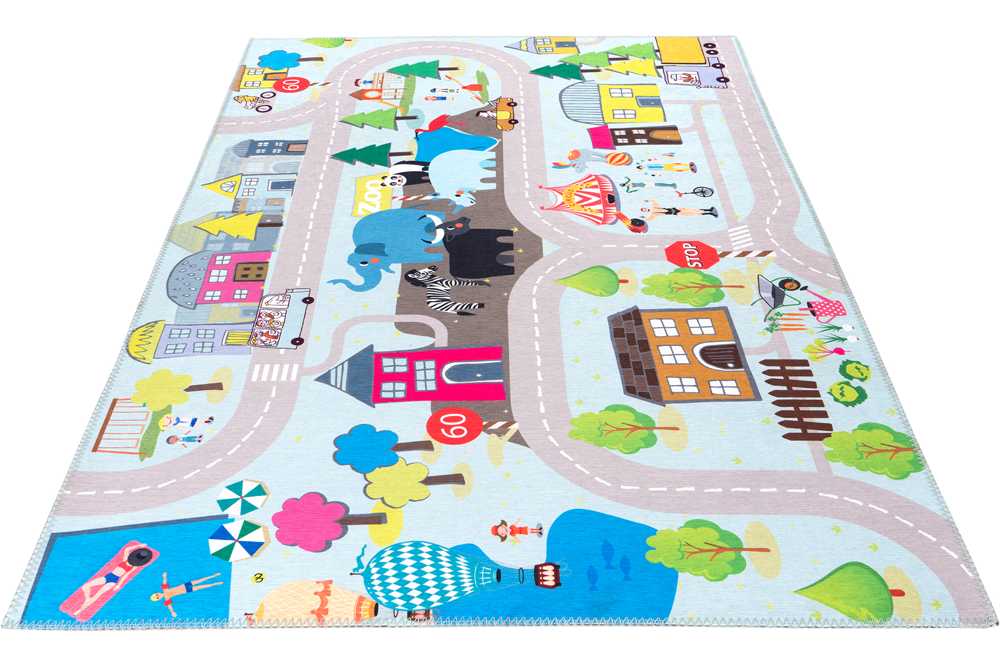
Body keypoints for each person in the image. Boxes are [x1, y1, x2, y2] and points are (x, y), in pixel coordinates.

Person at [71, 545, 154, 617]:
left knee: (97, 595)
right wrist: (139, 546)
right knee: (86, 586)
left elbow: (125, 576)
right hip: (108, 576)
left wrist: (118, 585)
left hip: (114, 581)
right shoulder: (125, 559)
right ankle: (87, 598)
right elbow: (127, 549)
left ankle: (79, 610)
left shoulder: (133, 567)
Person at [151, 572, 225, 619]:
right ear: (159, 599)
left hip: (185, 585)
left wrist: (164, 576)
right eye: (158, 597)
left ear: (157, 592)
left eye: (157, 594)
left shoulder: (164, 589)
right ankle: (215, 584)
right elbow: (169, 606)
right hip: (186, 590)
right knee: (202, 586)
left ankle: (213, 575)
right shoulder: (166, 598)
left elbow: (164, 581)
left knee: (200, 580)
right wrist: (172, 612)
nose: (159, 595)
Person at [641, 199, 718, 220]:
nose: (645, 210)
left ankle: (708, 210)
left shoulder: (654, 207)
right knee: (693, 213)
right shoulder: (653, 213)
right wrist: (645, 218)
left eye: (644, 209)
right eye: (644, 210)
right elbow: (651, 218)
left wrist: (648, 200)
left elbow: (654, 201)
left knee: (694, 210)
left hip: (678, 209)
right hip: (677, 213)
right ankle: (710, 213)